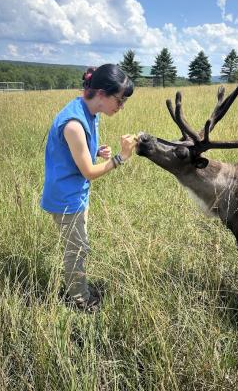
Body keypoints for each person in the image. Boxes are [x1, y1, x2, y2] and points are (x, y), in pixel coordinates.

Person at [41, 64, 137, 313]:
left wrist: (95, 151)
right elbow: (89, 172)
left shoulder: (89, 111)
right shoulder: (73, 123)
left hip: (76, 194)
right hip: (66, 198)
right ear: (102, 93)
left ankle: (79, 288)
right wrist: (120, 158)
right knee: (77, 249)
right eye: (120, 100)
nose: (121, 106)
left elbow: (75, 153)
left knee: (80, 246)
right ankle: (79, 299)